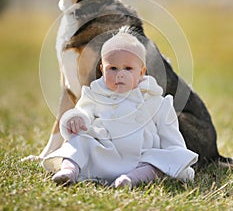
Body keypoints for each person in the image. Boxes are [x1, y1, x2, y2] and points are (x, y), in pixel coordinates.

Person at [43, 30, 198, 187]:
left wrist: (175, 155)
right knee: (79, 142)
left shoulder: (156, 101)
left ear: (141, 72)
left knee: (156, 162)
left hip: (139, 157)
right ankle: (69, 171)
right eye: (113, 68)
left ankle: (130, 179)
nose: (120, 74)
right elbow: (85, 112)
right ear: (102, 69)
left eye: (128, 68)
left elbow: (170, 136)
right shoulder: (95, 94)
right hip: (104, 151)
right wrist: (76, 119)